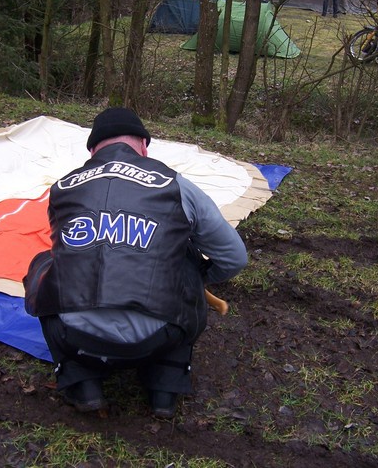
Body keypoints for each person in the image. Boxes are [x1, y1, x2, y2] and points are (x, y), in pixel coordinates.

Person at [23, 108, 248, 418]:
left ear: (92, 150)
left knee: (43, 263)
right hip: (159, 335)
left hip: (73, 335)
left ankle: (81, 381)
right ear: (143, 145)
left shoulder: (62, 187)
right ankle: (165, 384)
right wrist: (198, 280)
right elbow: (234, 257)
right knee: (187, 259)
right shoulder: (176, 185)